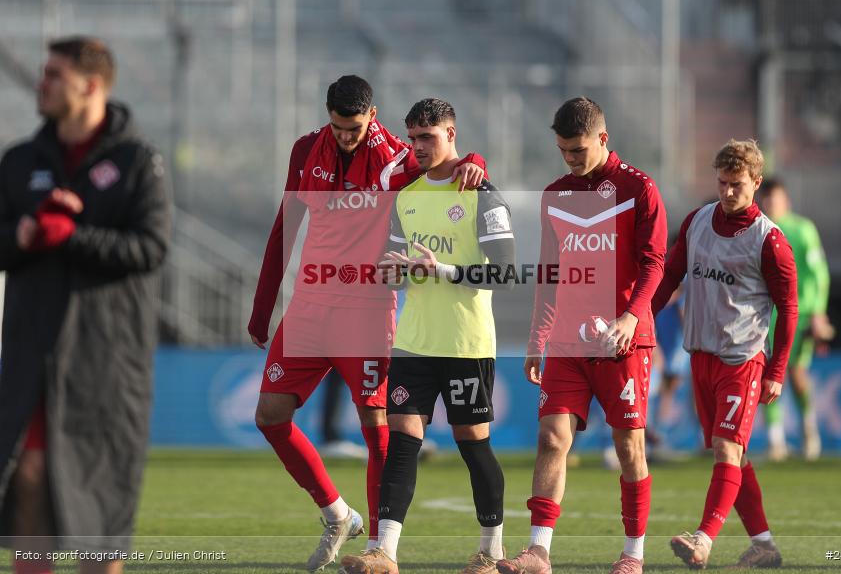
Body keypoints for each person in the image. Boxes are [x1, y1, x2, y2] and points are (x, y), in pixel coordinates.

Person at [248, 76, 487, 571]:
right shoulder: (304, 150)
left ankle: (379, 547)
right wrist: (262, 306)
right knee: (270, 416)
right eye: (338, 127)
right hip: (310, 306)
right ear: (328, 117)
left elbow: (449, 162)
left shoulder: (398, 158)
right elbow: (284, 226)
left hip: (367, 309)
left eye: (354, 127)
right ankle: (337, 513)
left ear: (372, 115)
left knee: (377, 426)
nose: (346, 136)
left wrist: (476, 164)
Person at [0, 36, 171, 574]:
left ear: (91, 85)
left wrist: (71, 234)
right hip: (32, 357)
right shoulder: (20, 160)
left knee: (100, 512)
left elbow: (150, 248)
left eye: (54, 74)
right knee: (26, 476)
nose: (41, 83)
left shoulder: (137, 161)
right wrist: (24, 234)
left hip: (105, 361)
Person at [339, 98, 516, 574]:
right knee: (401, 440)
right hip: (414, 341)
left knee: (472, 443)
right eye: (413, 137)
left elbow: (504, 272)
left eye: (428, 137)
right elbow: (395, 272)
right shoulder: (407, 197)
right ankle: (385, 552)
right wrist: (391, 272)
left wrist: (440, 269)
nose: (417, 146)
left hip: (465, 343)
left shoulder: (485, 195)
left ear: (452, 134)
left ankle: (491, 550)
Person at [497, 97, 667, 574]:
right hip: (568, 343)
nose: (570, 158)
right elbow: (550, 273)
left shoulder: (639, 189)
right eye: (563, 151)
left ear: (602, 139)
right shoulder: (556, 194)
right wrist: (538, 337)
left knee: (629, 448)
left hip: (623, 343)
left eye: (577, 149)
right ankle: (538, 550)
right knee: (552, 439)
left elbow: (656, 263)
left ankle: (633, 554)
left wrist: (632, 318)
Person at [651, 139, 798, 569]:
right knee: (732, 453)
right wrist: (640, 317)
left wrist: (777, 369)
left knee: (726, 449)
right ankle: (764, 546)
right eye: (721, 183)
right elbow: (670, 274)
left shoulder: (769, 240)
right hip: (700, 355)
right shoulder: (697, 221)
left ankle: (703, 538)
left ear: (756, 182)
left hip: (742, 358)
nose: (728, 192)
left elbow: (789, 308)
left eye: (737, 184)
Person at [758, 178, 833, 461]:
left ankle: (809, 432)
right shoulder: (758, 229)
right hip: (767, 317)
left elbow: (819, 274)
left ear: (785, 201)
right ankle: (776, 441)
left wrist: (818, 311)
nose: (770, 204)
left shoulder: (802, 230)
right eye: (766, 200)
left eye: (775, 199)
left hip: (799, 315)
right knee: (767, 377)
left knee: (796, 374)